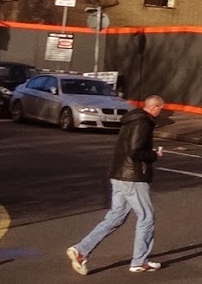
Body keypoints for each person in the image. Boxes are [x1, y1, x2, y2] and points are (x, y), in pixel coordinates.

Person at [67, 94, 166, 275]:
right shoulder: (143, 123)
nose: (161, 112)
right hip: (133, 177)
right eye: (161, 109)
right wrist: (153, 156)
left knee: (115, 217)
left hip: (120, 175)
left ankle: (81, 250)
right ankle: (139, 261)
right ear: (155, 107)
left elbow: (130, 148)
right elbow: (136, 151)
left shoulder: (131, 120)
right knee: (146, 217)